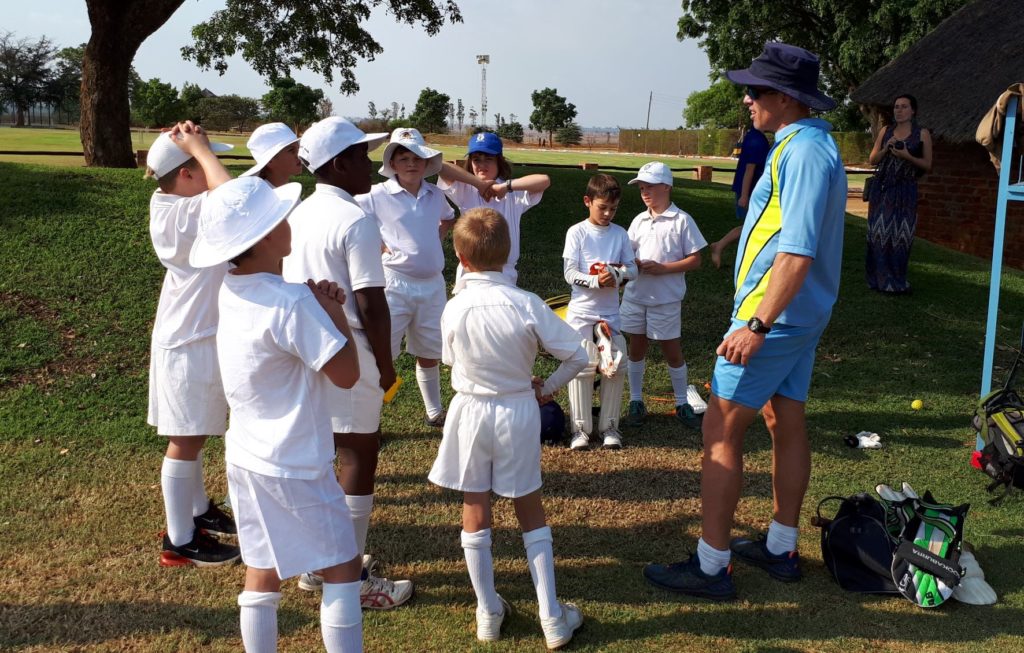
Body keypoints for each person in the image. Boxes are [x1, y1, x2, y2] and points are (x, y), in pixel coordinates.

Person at [643, 42, 847, 600]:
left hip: (775, 319)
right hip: (795, 316)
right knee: (785, 421)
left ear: (783, 98)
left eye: (755, 90)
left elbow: (798, 250)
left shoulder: (803, 152)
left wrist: (755, 325)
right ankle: (780, 547)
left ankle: (711, 566)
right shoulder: (801, 145)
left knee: (720, 429)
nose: (746, 98)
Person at [190, 176, 364, 653]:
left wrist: (318, 307)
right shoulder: (293, 301)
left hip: (247, 454)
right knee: (343, 566)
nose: (290, 223)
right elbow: (347, 374)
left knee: (262, 567)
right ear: (268, 235)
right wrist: (336, 315)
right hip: (297, 461)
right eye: (281, 218)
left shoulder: (232, 286)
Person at [427, 207, 589, 648]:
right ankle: (552, 617)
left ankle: (487, 611)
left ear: (460, 255)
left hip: (470, 410)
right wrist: (545, 388)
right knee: (529, 507)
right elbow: (577, 354)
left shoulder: (454, 307)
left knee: (475, 506)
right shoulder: (527, 303)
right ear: (508, 251)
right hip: (517, 409)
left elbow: (449, 361)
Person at [282, 117, 413, 608]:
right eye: (361, 156)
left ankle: (321, 565)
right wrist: (386, 364)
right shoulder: (355, 219)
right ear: (338, 164)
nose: (370, 166)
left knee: (321, 458)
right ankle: (348, 577)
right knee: (359, 455)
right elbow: (371, 304)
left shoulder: (298, 212)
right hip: (348, 346)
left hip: (302, 347)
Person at [144, 122, 241, 567]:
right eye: (202, 162)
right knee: (185, 439)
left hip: (191, 334)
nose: (210, 165)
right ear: (185, 174)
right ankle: (180, 540)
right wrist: (199, 149)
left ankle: (198, 511)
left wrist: (190, 147)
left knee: (195, 433)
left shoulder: (171, 203)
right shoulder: (187, 210)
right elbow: (235, 198)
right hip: (190, 340)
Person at [355, 128, 454, 428]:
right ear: (393, 164)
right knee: (381, 352)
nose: (411, 164)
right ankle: (368, 418)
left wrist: (436, 237)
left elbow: (448, 218)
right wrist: (377, 243)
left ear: (426, 163)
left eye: (417, 158)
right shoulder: (376, 195)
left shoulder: (435, 194)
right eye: (404, 158)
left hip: (432, 285)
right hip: (393, 284)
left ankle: (434, 411)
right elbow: (351, 216)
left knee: (429, 352)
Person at [620, 161, 708, 432]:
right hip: (635, 296)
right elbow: (627, 254)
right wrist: (631, 264)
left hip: (666, 299)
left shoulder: (682, 220)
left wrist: (663, 269)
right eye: (642, 188)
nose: (645, 192)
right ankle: (636, 400)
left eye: (651, 187)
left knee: (672, 350)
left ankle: (682, 402)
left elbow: (695, 260)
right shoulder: (639, 220)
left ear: (667, 186)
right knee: (636, 348)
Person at [562, 174, 637, 450]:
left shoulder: (619, 234)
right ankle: (580, 430)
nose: (607, 213)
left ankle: (610, 427)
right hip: (581, 312)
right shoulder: (577, 232)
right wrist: (595, 280)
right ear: (587, 201)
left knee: (615, 365)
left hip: (610, 314)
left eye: (613, 209)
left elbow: (634, 270)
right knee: (582, 366)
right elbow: (569, 273)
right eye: (602, 207)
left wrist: (616, 274)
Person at [438, 131, 551, 285]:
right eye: (476, 160)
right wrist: (478, 183)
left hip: (505, 274)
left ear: (499, 161)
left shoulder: (512, 193)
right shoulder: (465, 189)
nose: (482, 166)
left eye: (488, 159)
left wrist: (506, 186)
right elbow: (440, 166)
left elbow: (544, 181)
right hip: (470, 273)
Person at [865, 93, 933, 294]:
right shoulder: (885, 131)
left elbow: (927, 165)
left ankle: (896, 281)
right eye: (896, 107)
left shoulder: (922, 134)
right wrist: (886, 147)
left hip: (905, 191)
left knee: (901, 235)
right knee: (878, 234)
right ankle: (877, 280)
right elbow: (872, 160)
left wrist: (907, 156)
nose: (899, 110)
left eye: (904, 106)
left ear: (913, 111)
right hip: (883, 189)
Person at [710, 125, 770, 268]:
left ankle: (719, 246)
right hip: (750, 192)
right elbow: (750, 169)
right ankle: (721, 246)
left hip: (751, 191)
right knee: (753, 226)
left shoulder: (753, 136)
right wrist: (744, 195)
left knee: (751, 225)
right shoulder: (757, 140)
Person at [240, 122, 304, 187]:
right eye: (291, 150)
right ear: (270, 160)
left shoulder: (288, 190)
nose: (299, 154)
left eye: (298, 148)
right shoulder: (262, 195)